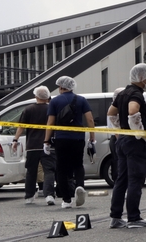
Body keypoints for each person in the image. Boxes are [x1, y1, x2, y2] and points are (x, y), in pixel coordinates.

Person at [109, 64, 146, 229]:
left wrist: (120, 130)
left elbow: (111, 113)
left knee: (121, 179)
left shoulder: (122, 93)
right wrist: (139, 133)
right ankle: (134, 218)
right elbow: (132, 110)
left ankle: (116, 217)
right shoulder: (136, 93)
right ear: (141, 77)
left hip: (122, 140)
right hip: (134, 143)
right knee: (135, 179)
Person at [44, 76, 96, 209]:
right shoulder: (81, 100)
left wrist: (46, 141)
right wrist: (92, 137)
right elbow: (90, 119)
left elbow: (50, 122)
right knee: (78, 165)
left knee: (61, 168)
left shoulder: (55, 101)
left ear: (61, 87)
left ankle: (66, 200)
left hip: (61, 138)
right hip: (78, 138)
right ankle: (80, 186)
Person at [13, 86, 56, 206]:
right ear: (47, 96)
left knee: (31, 171)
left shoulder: (28, 109)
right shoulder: (51, 108)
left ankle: (29, 196)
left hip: (32, 145)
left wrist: (15, 140)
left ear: (36, 96)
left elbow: (21, 127)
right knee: (49, 171)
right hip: (48, 144)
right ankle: (49, 195)